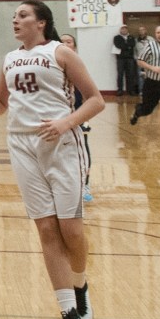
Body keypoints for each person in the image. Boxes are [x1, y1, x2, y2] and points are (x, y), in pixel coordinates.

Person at [0, 0, 104, 319]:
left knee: (72, 230)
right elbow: (2, 105)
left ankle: (80, 287)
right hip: (21, 145)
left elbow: (95, 100)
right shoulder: (9, 59)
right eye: (14, 16)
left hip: (61, 144)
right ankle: (69, 318)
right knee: (46, 228)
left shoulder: (61, 53)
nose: (15, 20)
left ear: (41, 22)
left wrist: (66, 122)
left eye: (22, 15)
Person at [60, 34, 94, 203]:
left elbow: (90, 94)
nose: (65, 44)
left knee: (82, 149)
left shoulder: (78, 65)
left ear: (74, 46)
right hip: (59, 117)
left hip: (78, 114)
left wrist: (85, 116)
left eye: (69, 41)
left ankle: (85, 185)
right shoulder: (54, 65)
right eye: (62, 41)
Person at [112, 25, 137, 96]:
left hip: (130, 58)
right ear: (120, 30)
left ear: (127, 30)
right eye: (122, 29)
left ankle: (131, 90)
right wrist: (127, 46)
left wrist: (125, 46)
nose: (124, 30)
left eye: (125, 29)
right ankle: (120, 90)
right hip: (120, 59)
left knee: (130, 75)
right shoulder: (117, 37)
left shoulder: (131, 37)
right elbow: (118, 45)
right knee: (120, 74)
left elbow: (132, 45)